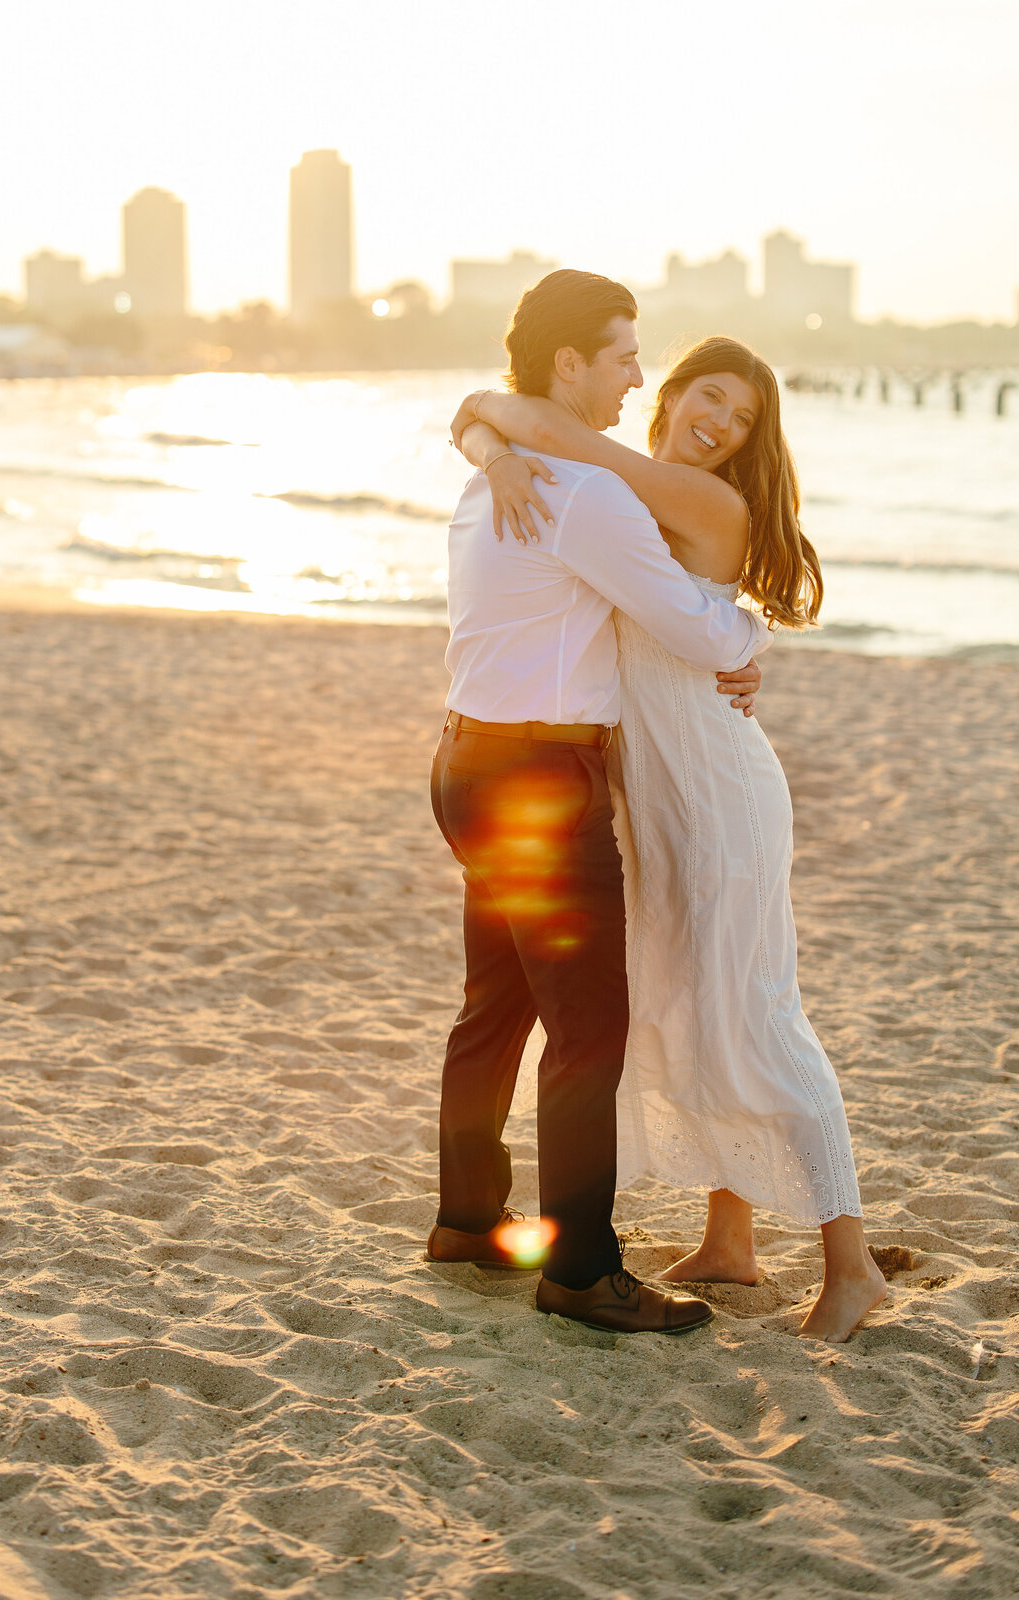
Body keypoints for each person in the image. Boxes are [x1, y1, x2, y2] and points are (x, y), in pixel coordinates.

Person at [452, 334, 887, 1342]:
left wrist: (493, 427)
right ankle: (730, 1241)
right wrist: (493, 450)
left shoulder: (691, 498)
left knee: (759, 1017)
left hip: (723, 797)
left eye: (738, 423)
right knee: (693, 1012)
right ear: (678, 391)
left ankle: (852, 1265)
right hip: (660, 797)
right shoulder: (633, 498)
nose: (717, 425)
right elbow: (497, 417)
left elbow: (532, 420)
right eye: (710, 399)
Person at [427, 271, 773, 1336]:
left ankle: (470, 1220)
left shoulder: (495, 477)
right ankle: (580, 1268)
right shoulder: (587, 497)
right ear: (569, 364)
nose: (639, 375)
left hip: (464, 763)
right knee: (589, 1031)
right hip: (539, 782)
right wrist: (752, 632)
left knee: (495, 1004)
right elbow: (698, 630)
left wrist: (486, 432)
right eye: (625, 355)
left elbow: (476, 419)